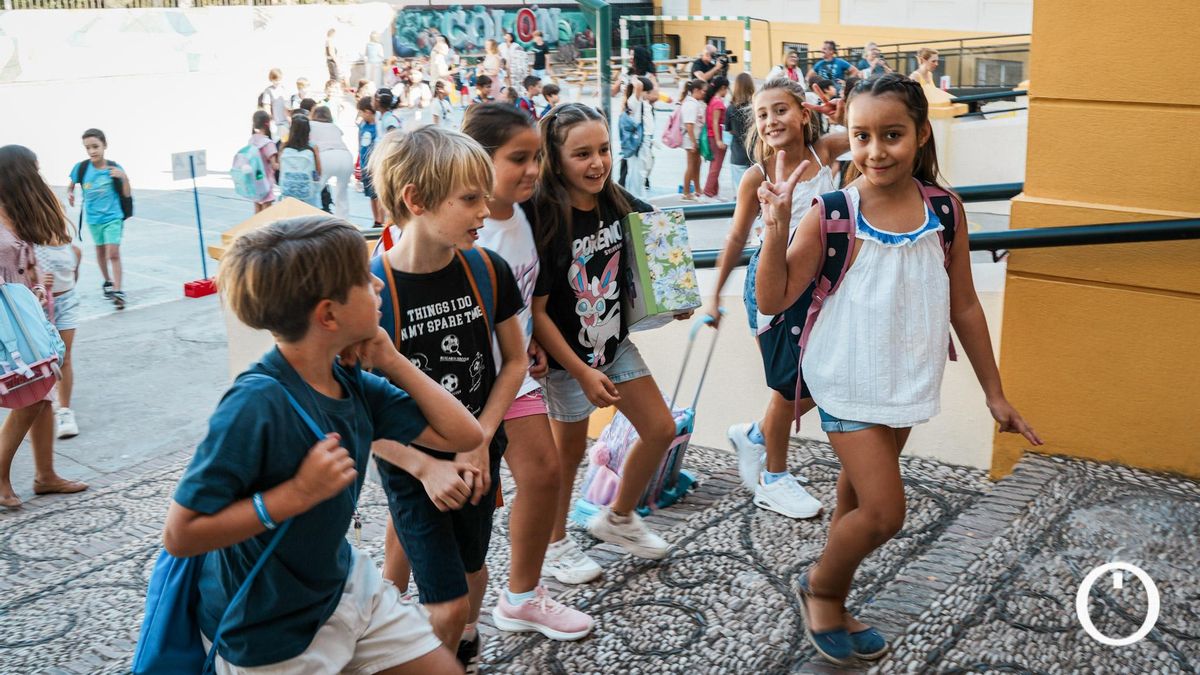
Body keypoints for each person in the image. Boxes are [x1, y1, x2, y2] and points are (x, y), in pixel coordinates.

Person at [754, 74, 1042, 664]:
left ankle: (837, 596)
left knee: (854, 503)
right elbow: (773, 297)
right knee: (885, 513)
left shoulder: (945, 210)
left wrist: (995, 393)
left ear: (920, 134)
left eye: (891, 134)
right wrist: (778, 224)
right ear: (848, 139)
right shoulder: (834, 212)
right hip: (843, 380)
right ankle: (822, 589)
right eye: (861, 136)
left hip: (904, 381)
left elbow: (964, 303)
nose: (876, 150)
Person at [163, 215, 482, 673]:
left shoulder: (348, 379)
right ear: (328, 315)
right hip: (267, 631)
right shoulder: (255, 404)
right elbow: (180, 534)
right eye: (361, 277)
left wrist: (392, 360)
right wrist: (295, 496)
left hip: (343, 586)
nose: (376, 281)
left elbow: (463, 434)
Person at [365, 126, 534, 671]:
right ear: (416, 199)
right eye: (469, 199)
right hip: (411, 465)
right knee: (445, 601)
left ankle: (461, 644)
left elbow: (513, 362)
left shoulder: (487, 269)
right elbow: (359, 410)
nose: (485, 210)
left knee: (472, 568)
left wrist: (478, 442)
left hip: (478, 453)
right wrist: (422, 467)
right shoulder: (370, 291)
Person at [530, 102, 686, 581]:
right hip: (565, 362)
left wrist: (674, 292)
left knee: (660, 428)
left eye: (602, 149)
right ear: (556, 160)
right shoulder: (544, 217)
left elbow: (660, 233)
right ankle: (554, 545)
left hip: (612, 346)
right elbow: (535, 312)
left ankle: (617, 517)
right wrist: (579, 371)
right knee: (568, 454)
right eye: (582, 154)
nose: (597, 163)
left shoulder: (614, 200)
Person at [462, 103, 597, 641]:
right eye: (518, 159)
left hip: (514, 376)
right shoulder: (464, 230)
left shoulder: (521, 215)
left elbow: (519, 302)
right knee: (434, 505)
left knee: (542, 476)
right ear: (478, 160)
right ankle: (391, 594)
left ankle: (521, 598)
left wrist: (530, 342)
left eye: (536, 157)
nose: (533, 170)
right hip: (462, 387)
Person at [705, 77, 846, 521]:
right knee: (789, 385)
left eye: (781, 110)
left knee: (823, 379)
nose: (771, 120)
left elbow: (861, 130)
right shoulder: (757, 176)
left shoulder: (824, 153)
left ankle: (754, 435)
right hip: (773, 288)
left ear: (805, 113)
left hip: (821, 285)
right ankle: (774, 477)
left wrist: (842, 116)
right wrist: (713, 297)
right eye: (762, 114)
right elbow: (734, 237)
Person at [0, 145, 88, 508]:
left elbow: (32, 260)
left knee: (42, 391)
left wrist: (37, 287)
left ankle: (45, 475)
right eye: (34, 169)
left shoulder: (14, 213)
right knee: (31, 395)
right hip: (9, 322)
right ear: (20, 174)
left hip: (28, 314)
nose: (40, 174)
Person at [66, 128, 129, 309]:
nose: (92, 151)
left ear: (104, 146)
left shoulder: (114, 168)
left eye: (96, 146)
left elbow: (126, 194)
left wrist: (123, 177)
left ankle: (118, 290)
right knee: (100, 252)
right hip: (94, 219)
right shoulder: (81, 168)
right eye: (88, 148)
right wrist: (70, 193)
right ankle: (107, 281)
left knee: (113, 253)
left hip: (113, 217)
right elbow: (71, 186)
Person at [35, 214, 82, 440]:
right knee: (43, 358)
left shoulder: (69, 246)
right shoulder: (30, 244)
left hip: (67, 302)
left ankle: (64, 410)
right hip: (40, 306)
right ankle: (38, 404)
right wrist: (39, 284)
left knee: (65, 356)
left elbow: (73, 277)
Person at [309, 105, 353, 218]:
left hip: (325, 156)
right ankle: (343, 221)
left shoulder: (311, 125)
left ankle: (314, 217)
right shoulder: (334, 126)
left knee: (316, 190)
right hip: (345, 156)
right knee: (342, 193)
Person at [619, 76, 656, 199]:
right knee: (637, 172)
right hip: (639, 143)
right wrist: (634, 79)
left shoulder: (642, 103)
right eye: (648, 92)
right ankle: (636, 199)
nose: (649, 95)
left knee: (641, 172)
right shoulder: (635, 101)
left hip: (645, 141)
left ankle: (638, 198)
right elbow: (638, 85)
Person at [278, 115, 322, 207]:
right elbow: (318, 171)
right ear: (308, 130)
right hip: (307, 194)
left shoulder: (283, 147)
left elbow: (281, 168)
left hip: (288, 190)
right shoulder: (313, 147)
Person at [725, 72, 755, 191]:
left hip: (737, 153)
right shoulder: (756, 107)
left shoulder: (731, 108)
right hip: (755, 153)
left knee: (740, 192)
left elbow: (727, 131)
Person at [357, 97, 384, 228]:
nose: (360, 115)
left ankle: (381, 220)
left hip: (376, 165)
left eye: (361, 112)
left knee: (379, 194)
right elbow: (359, 143)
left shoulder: (378, 125)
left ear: (368, 111)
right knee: (371, 195)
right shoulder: (363, 125)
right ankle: (376, 220)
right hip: (365, 164)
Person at [702, 75, 730, 198]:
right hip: (716, 136)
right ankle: (708, 192)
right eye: (727, 89)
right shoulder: (718, 103)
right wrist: (719, 140)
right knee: (716, 166)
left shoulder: (712, 100)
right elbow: (715, 122)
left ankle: (714, 192)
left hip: (711, 136)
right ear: (723, 88)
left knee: (714, 165)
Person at [247, 111, 279, 214]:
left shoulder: (251, 140)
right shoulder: (268, 143)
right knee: (266, 215)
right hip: (266, 183)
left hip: (255, 181)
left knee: (257, 213)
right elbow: (274, 166)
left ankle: (256, 229)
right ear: (268, 124)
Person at [679, 79, 706, 201]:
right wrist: (694, 142)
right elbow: (689, 125)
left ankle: (697, 189)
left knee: (697, 163)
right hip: (691, 139)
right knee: (691, 166)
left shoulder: (694, 103)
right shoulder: (690, 104)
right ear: (696, 90)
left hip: (694, 138)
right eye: (703, 91)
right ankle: (686, 192)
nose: (704, 93)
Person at [258, 68, 290, 140]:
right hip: (276, 122)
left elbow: (289, 105)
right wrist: (271, 119)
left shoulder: (285, 89)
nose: (277, 81)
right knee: (276, 141)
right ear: (271, 79)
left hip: (286, 121)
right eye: (275, 79)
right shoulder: (268, 90)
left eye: (279, 79)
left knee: (286, 141)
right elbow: (266, 106)